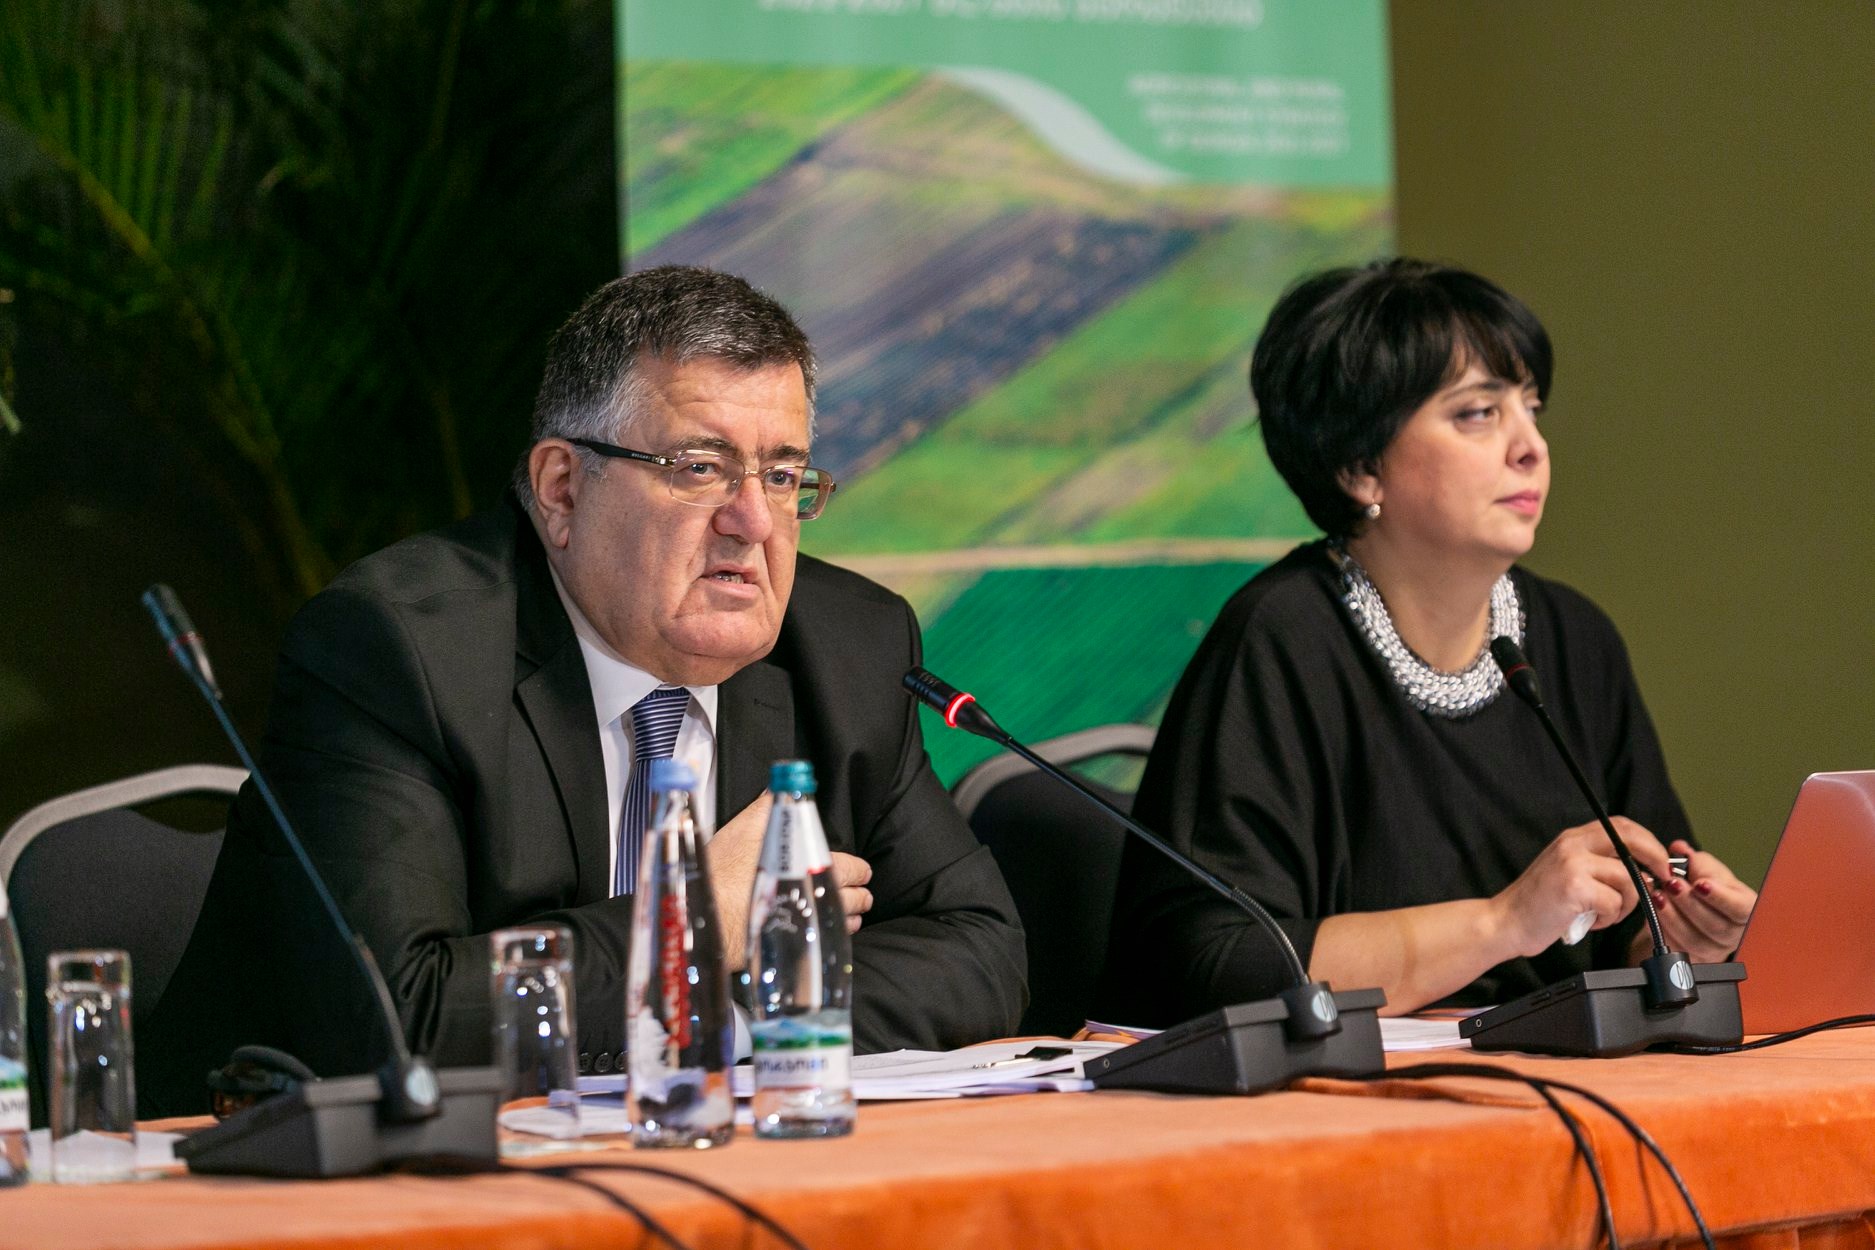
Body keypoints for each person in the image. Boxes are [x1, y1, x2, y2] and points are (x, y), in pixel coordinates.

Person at [143, 266, 1026, 1115]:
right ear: (562, 489)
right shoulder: (399, 649)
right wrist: (688, 927)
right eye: (700, 467)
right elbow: (394, 1018)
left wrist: (721, 1022)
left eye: (782, 474)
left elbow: (979, 950)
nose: (754, 520)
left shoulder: (849, 647)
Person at [1098, 258, 1757, 1026]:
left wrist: (1688, 938)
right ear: (1359, 468)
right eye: (1477, 413)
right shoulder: (1280, 640)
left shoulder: (1574, 641)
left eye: (1530, 408)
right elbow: (1210, 966)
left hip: (1557, 1076)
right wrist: (1502, 923)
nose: (1530, 446)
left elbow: (1635, 932)